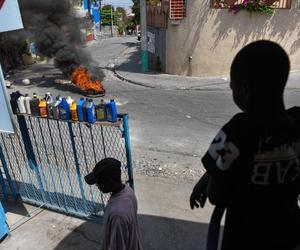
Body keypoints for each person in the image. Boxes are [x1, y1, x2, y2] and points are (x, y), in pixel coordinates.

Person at [190, 40, 300, 250]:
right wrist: (206, 177)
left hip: (244, 240)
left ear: (245, 89)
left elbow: (216, 195)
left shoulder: (238, 129)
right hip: (290, 235)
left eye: (232, 87)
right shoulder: (297, 124)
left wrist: (209, 180)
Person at [85, 158, 143, 250]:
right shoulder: (128, 191)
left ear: (110, 182)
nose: (96, 185)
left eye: (98, 182)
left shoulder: (117, 214)